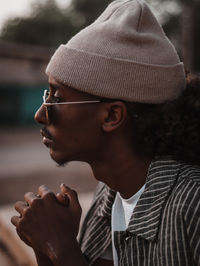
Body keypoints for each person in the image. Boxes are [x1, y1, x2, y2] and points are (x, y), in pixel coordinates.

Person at [11, 0, 200, 265]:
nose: (40, 114)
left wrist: (60, 246)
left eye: (57, 98)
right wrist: (45, 246)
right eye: (47, 95)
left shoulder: (192, 205)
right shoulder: (110, 195)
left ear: (112, 116)